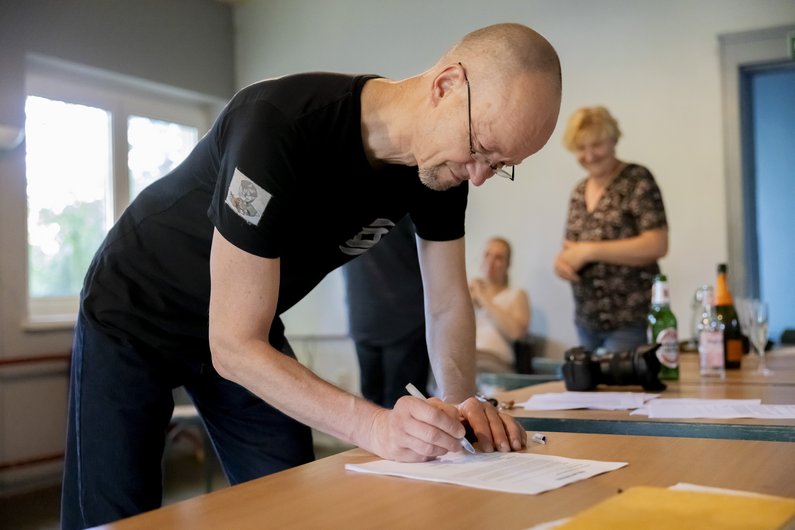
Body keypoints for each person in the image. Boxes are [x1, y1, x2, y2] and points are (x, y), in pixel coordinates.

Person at [61, 22, 562, 529]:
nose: (478, 174)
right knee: (114, 517)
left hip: (244, 323)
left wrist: (463, 410)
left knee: (292, 499)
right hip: (136, 309)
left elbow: (448, 301)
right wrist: (377, 426)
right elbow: (232, 344)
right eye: (479, 147)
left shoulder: (441, 168)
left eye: (499, 165)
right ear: (446, 85)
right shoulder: (279, 126)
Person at [554, 106, 668, 353]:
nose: (589, 155)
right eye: (581, 148)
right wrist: (562, 264)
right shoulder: (579, 191)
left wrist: (589, 252)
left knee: (619, 388)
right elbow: (570, 248)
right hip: (586, 321)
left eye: (596, 145)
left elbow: (657, 243)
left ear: (614, 140)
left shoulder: (637, 179)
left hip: (629, 320)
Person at [343, 215, 429, 408]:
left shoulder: (406, 204)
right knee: (372, 407)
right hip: (364, 321)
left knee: (404, 408)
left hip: (407, 325)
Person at [469, 237, 531, 373]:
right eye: (487, 255)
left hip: (493, 361)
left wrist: (482, 297)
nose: (490, 261)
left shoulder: (516, 294)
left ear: (507, 264)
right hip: (466, 356)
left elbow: (516, 333)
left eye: (498, 258)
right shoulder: (469, 292)